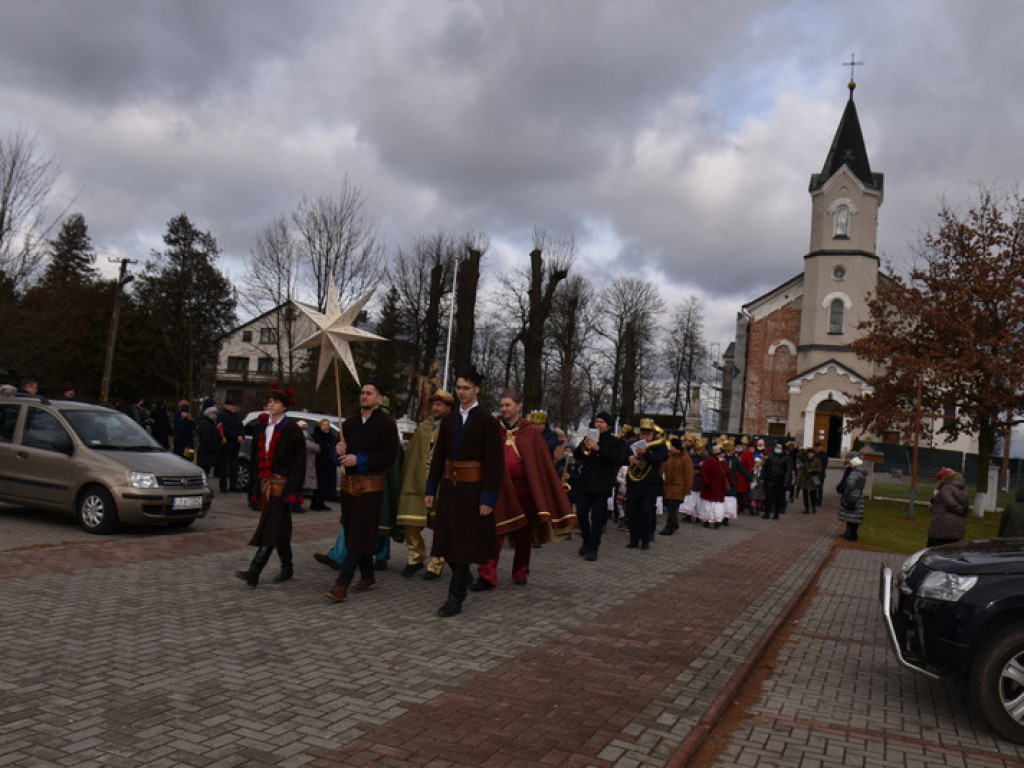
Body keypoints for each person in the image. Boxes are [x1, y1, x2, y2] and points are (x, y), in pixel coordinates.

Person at [472, 388, 575, 590]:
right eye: (501, 405)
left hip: (523, 492)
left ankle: (520, 571)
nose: (504, 409)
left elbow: (540, 465)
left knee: (523, 534)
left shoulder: (531, 434)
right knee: (493, 533)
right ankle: (487, 575)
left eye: (508, 405)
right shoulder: (492, 429)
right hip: (498, 489)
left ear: (518, 407)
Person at [425, 366, 504, 617]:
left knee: (463, 544)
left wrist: (488, 498)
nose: (461, 392)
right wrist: (431, 487)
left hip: (473, 491)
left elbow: (494, 463)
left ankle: (455, 597)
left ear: (477, 389)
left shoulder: (488, 423)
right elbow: (438, 457)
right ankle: (463, 576)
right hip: (450, 489)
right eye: (458, 387)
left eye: (466, 388)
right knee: (446, 541)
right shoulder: (449, 420)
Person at [324, 378, 398, 603]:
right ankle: (368, 575)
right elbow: (337, 457)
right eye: (362, 392)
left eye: (369, 393)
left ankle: (341, 584)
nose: (364, 396)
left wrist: (360, 459)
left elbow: (388, 456)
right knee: (357, 531)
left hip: (370, 487)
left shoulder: (386, 424)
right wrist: (338, 451)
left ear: (379, 398)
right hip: (349, 488)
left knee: (356, 534)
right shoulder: (350, 422)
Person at [234, 383, 306, 586]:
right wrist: (257, 487)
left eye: (275, 402)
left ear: (284, 406)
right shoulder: (264, 428)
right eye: (270, 401)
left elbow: (299, 464)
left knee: (271, 527)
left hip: (283, 486)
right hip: (268, 485)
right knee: (280, 528)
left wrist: (291, 490)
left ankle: (254, 571)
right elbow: (259, 460)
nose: (271, 404)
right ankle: (287, 567)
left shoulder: (291, 429)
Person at [396, 389, 454, 579]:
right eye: (434, 405)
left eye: (439, 405)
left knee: (442, 526)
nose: (435, 408)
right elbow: (413, 455)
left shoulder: (453, 426)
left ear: (448, 407)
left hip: (440, 484)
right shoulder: (423, 427)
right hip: (417, 483)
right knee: (410, 522)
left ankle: (436, 563)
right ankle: (416, 557)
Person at [575, 412, 625, 559]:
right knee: (581, 514)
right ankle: (586, 538)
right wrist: (585, 444)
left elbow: (615, 459)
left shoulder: (614, 441)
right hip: (585, 483)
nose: (598, 424)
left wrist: (598, 448)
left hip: (601, 485)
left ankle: (593, 548)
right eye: (597, 421)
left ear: (608, 425)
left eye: (601, 422)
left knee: (597, 518)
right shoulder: (588, 438)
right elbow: (578, 455)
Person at [624, 418, 668, 549]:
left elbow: (661, 459)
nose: (645, 436)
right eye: (643, 433)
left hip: (650, 485)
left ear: (653, 434)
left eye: (648, 434)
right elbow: (621, 456)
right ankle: (633, 540)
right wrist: (629, 457)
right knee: (632, 512)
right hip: (633, 483)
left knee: (646, 511)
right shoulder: (633, 445)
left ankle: (645, 540)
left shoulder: (659, 446)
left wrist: (646, 453)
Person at [927, 467, 970, 547]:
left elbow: (950, 503)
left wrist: (960, 510)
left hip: (943, 527)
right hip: (956, 527)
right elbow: (965, 505)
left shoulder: (945, 489)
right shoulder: (962, 489)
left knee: (932, 552)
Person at [660, 437, 693, 535]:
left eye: (672, 447)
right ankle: (673, 525)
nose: (670, 448)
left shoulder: (685, 458)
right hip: (669, 486)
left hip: (679, 487)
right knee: (670, 507)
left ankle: (670, 526)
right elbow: (664, 468)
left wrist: (687, 490)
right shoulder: (670, 457)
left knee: (672, 508)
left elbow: (689, 475)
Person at [698, 444, 729, 529]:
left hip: (719, 488)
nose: (724, 455)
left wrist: (731, 482)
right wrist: (706, 482)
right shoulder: (709, 461)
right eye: (722, 453)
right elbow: (703, 472)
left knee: (718, 505)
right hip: (710, 487)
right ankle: (707, 520)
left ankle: (717, 520)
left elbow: (727, 473)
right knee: (708, 505)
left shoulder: (724, 462)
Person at [216, 399, 244, 492]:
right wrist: (236, 437)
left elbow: (241, 427)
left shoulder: (236, 417)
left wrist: (241, 435)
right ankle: (223, 486)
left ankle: (233, 485)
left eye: (234, 405)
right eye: (231, 405)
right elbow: (224, 429)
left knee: (234, 467)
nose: (233, 407)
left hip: (235, 446)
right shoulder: (222, 416)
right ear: (226, 406)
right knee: (224, 466)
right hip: (226, 444)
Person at [310, 418, 339, 510]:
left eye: (327, 425)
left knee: (327, 484)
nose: (326, 427)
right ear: (320, 426)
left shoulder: (332, 436)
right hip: (319, 463)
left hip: (329, 463)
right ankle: (315, 503)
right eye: (324, 425)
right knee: (319, 484)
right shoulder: (315, 436)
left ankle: (322, 502)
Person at [838, 452, 867, 541]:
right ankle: (849, 533)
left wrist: (846, 493)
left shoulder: (856, 473)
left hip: (853, 496)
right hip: (857, 495)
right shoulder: (861, 472)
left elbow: (850, 484)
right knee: (852, 515)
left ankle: (851, 535)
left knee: (852, 515)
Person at [762, 443, 790, 520]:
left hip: (780, 480)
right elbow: (765, 467)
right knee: (768, 498)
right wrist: (763, 477)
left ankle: (776, 514)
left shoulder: (786, 458)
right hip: (770, 479)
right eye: (776, 447)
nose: (777, 448)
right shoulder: (771, 457)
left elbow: (788, 470)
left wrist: (786, 481)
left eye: (779, 447)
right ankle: (767, 513)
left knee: (778, 498)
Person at [196, 405, 222, 477]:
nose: (215, 415)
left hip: (207, 453)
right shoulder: (206, 424)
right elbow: (206, 438)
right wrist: (213, 447)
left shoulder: (211, 423)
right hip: (206, 452)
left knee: (206, 471)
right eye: (213, 414)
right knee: (204, 471)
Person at [795, 447, 822, 515]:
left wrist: (812, 470)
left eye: (810, 453)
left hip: (813, 478)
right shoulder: (805, 459)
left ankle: (813, 507)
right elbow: (799, 455)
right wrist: (803, 450)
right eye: (808, 453)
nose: (809, 455)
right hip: (805, 478)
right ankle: (806, 508)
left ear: (813, 454)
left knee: (813, 494)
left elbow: (819, 469)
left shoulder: (817, 460)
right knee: (805, 494)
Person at [298, 420, 318, 511]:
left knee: (302, 485)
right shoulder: (301, 438)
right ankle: (296, 503)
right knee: (299, 485)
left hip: (307, 464)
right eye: (303, 428)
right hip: (301, 464)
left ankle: (298, 502)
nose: (305, 430)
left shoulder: (306, 437)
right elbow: (315, 447)